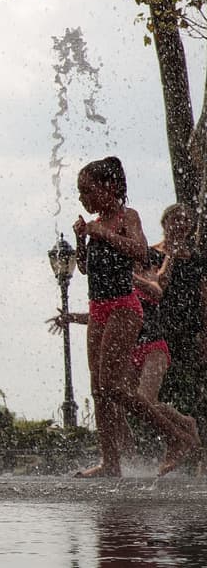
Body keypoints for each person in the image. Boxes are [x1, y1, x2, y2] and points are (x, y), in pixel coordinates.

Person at [69, 157, 197, 477]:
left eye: (87, 191)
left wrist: (103, 232)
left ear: (109, 188)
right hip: (98, 307)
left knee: (115, 387)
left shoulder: (128, 217)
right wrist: (82, 239)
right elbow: (85, 268)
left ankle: (177, 438)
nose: (82, 198)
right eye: (80, 192)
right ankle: (110, 463)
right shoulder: (97, 223)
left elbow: (140, 252)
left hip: (124, 308)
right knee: (99, 389)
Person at [146, 203, 207, 468]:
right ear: (165, 222)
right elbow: (159, 285)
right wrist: (170, 254)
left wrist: (205, 331)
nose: (181, 224)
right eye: (176, 219)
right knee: (157, 394)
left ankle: (195, 450)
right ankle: (172, 442)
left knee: (193, 390)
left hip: (190, 332)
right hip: (159, 330)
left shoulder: (197, 259)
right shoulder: (152, 254)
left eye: (186, 221)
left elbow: (204, 296)